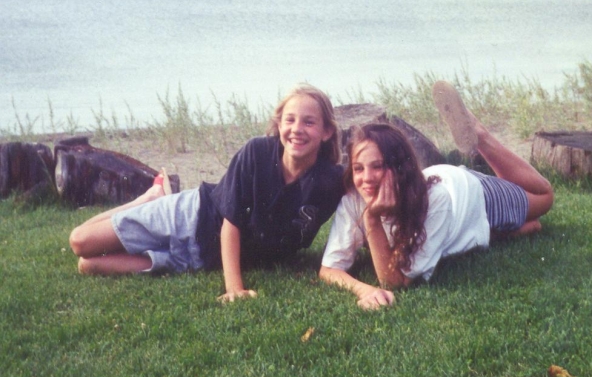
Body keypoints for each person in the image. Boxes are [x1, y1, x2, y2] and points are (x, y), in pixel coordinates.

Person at [69, 83, 344, 302]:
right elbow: (231, 223)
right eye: (290, 120)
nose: (297, 129)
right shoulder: (258, 152)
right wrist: (234, 289)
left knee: (89, 265)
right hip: (191, 217)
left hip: (200, 260)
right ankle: (148, 199)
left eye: (309, 122)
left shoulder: (330, 181)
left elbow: (365, 198)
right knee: (80, 242)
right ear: (279, 124)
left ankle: (148, 210)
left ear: (327, 131)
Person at [319, 80, 554, 310]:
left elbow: (396, 282)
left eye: (377, 166)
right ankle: (512, 228)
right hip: (456, 228)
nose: (366, 178)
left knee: (543, 198)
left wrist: (371, 218)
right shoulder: (352, 200)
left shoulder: (434, 199)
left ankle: (481, 137)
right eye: (359, 168)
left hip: (470, 193)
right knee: (517, 229)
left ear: (399, 167)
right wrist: (364, 290)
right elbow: (329, 269)